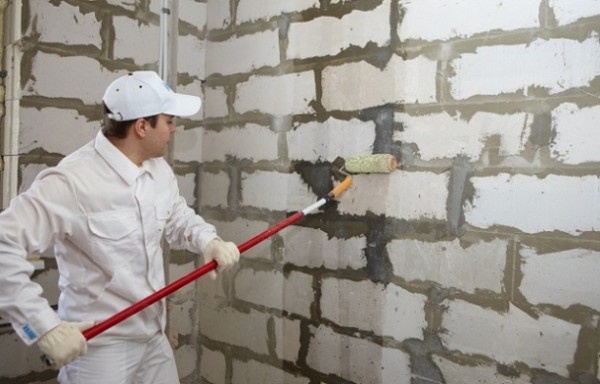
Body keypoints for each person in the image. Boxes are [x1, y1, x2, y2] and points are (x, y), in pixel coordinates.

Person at [0, 71, 240, 383]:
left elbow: (177, 216)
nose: (174, 128)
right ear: (142, 126)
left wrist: (209, 241)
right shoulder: (73, 181)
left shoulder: (159, 170)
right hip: (100, 350)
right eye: (168, 120)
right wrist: (42, 325)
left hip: (153, 337)